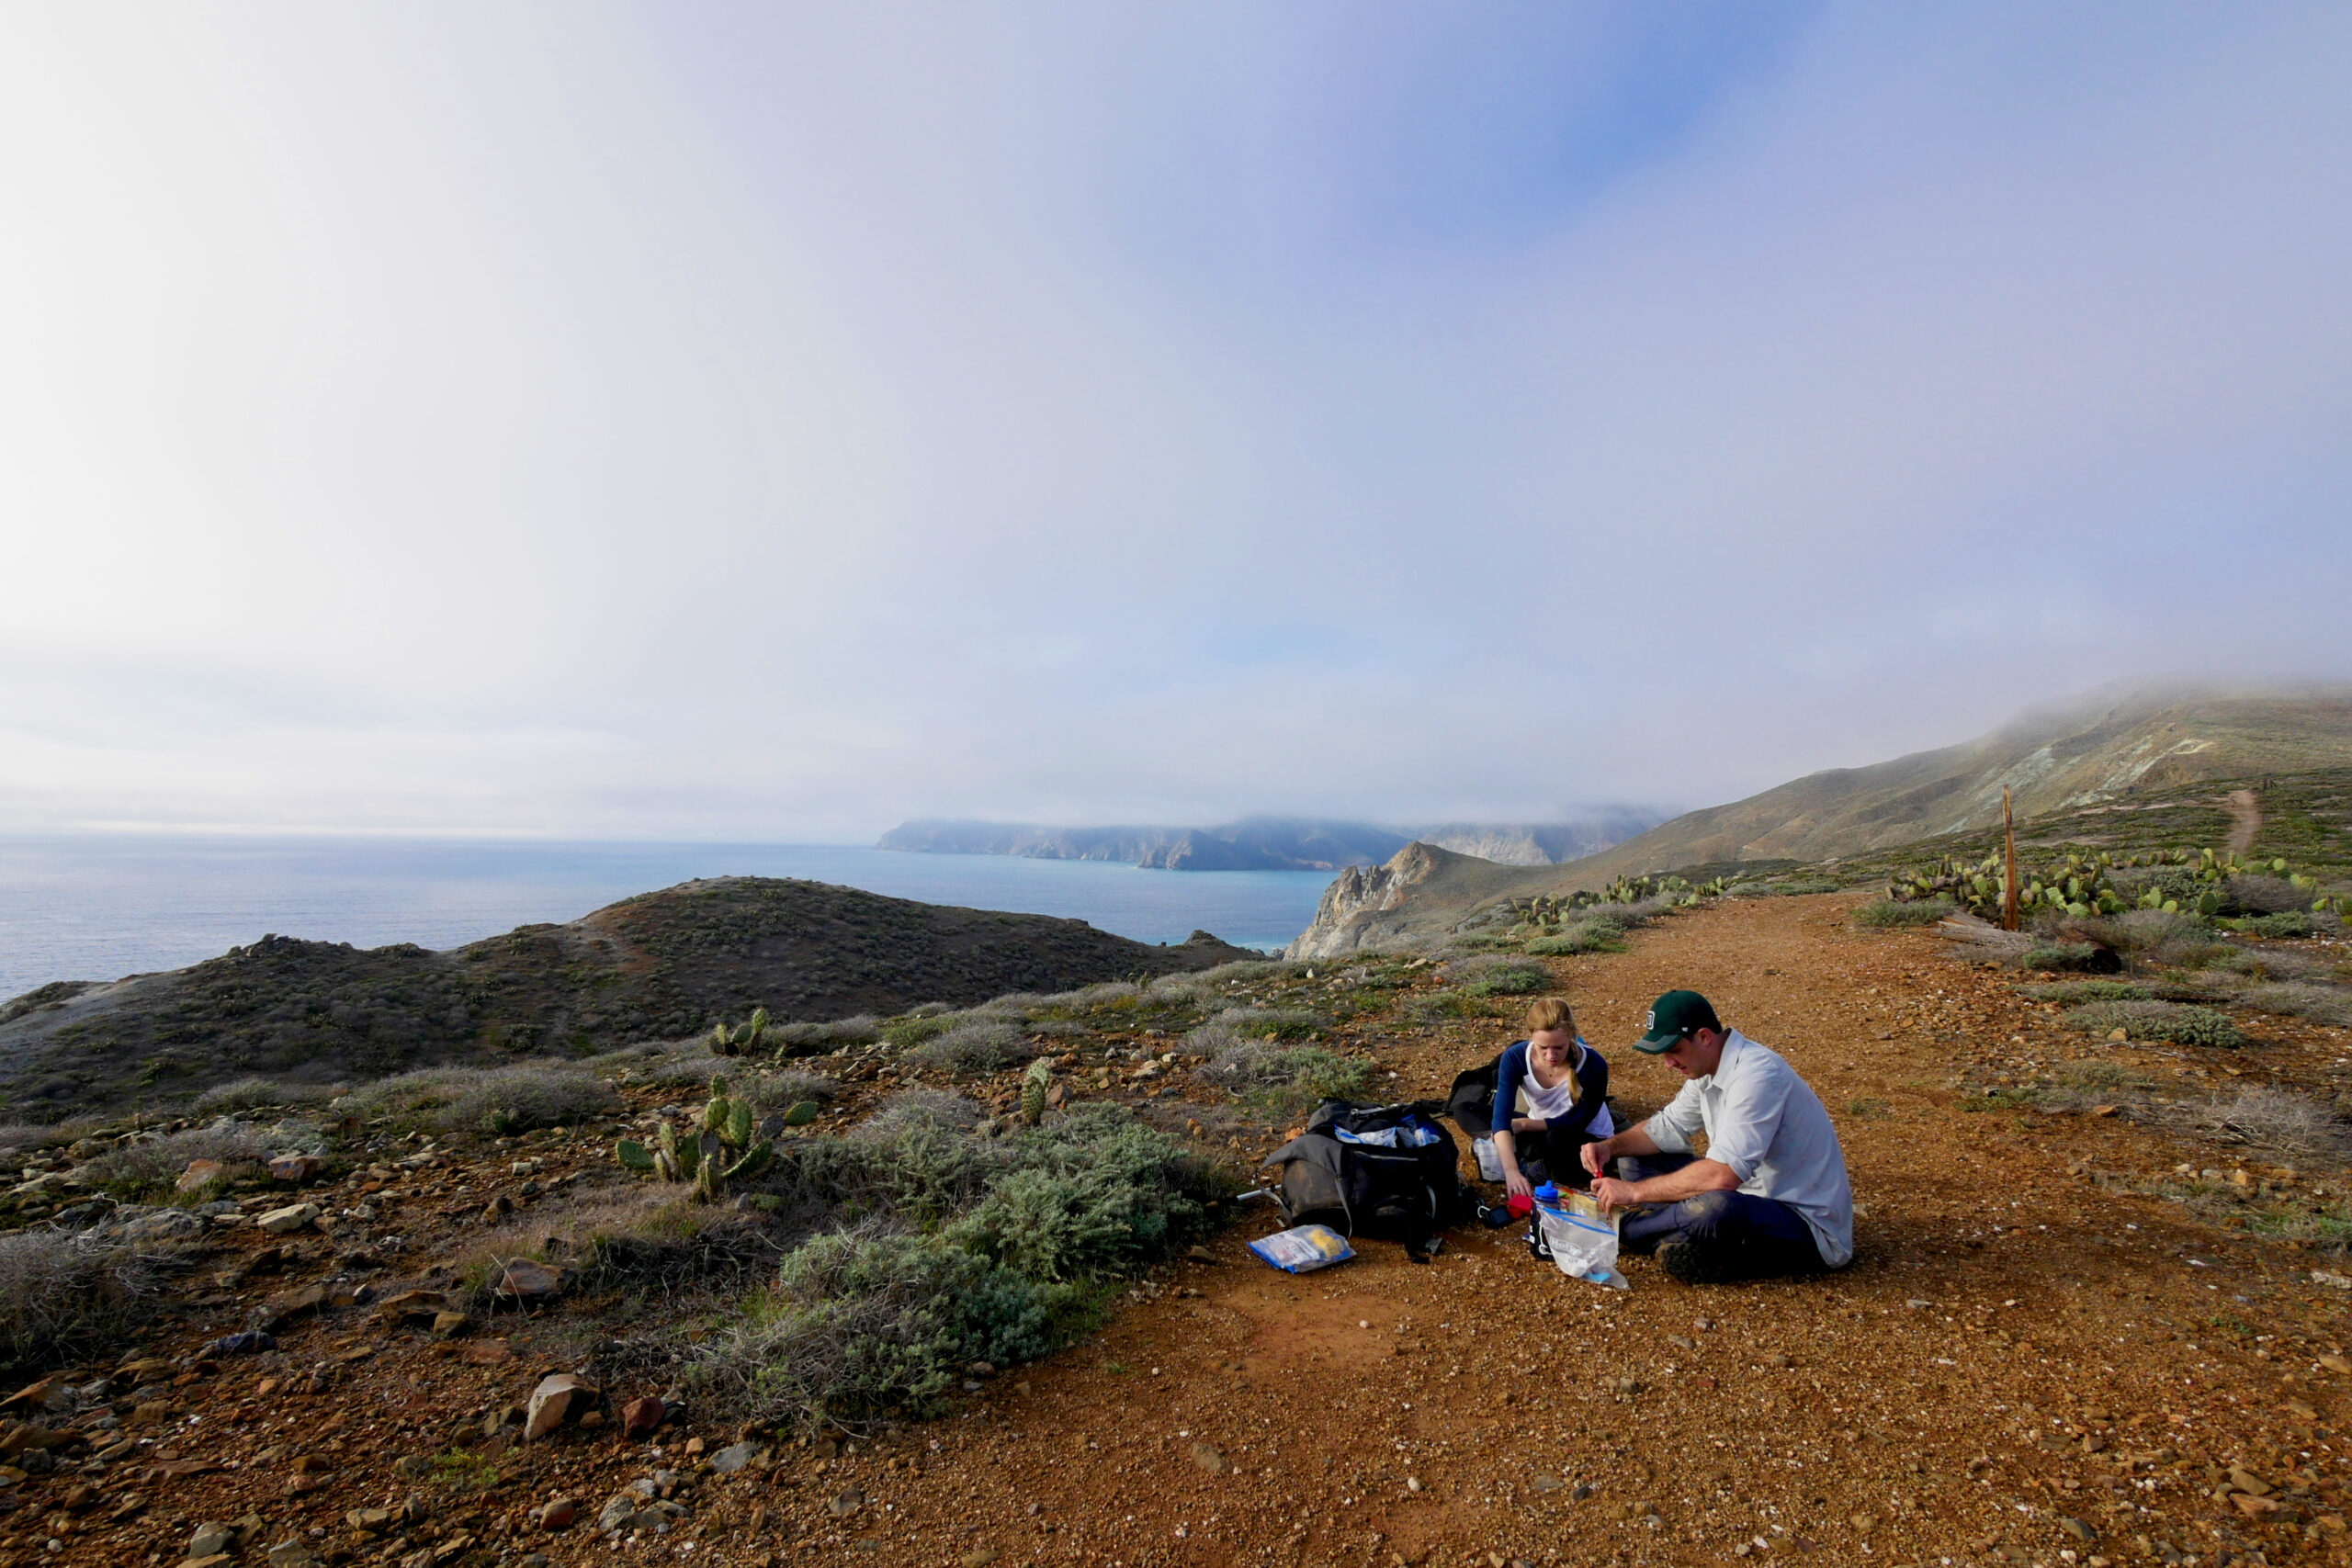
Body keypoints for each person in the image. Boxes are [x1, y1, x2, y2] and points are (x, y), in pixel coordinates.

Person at [1577, 989, 1853, 1284]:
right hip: (1747, 1196)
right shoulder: (1707, 1068)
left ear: (1704, 1037)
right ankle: (1690, 1238)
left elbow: (1724, 1177)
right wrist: (1609, 1147)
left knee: (1716, 1208)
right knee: (1636, 1158)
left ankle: (1628, 1230)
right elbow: (1666, 1127)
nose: (1668, 1063)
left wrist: (1632, 1194)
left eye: (1674, 1050)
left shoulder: (1757, 1075)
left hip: (1805, 1225)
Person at [1483, 997, 1614, 1198]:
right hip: (1542, 1125)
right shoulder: (1515, 1058)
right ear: (1531, 1037)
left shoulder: (1594, 1065)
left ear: (1572, 1036)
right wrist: (1511, 1172)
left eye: (1559, 1048)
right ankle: (1533, 1161)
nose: (1550, 1055)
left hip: (1582, 1134)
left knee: (1553, 1140)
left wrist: (1525, 1125)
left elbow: (1577, 1121)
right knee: (1472, 1112)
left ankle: (1541, 1162)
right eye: (1542, 1047)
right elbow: (1501, 1119)